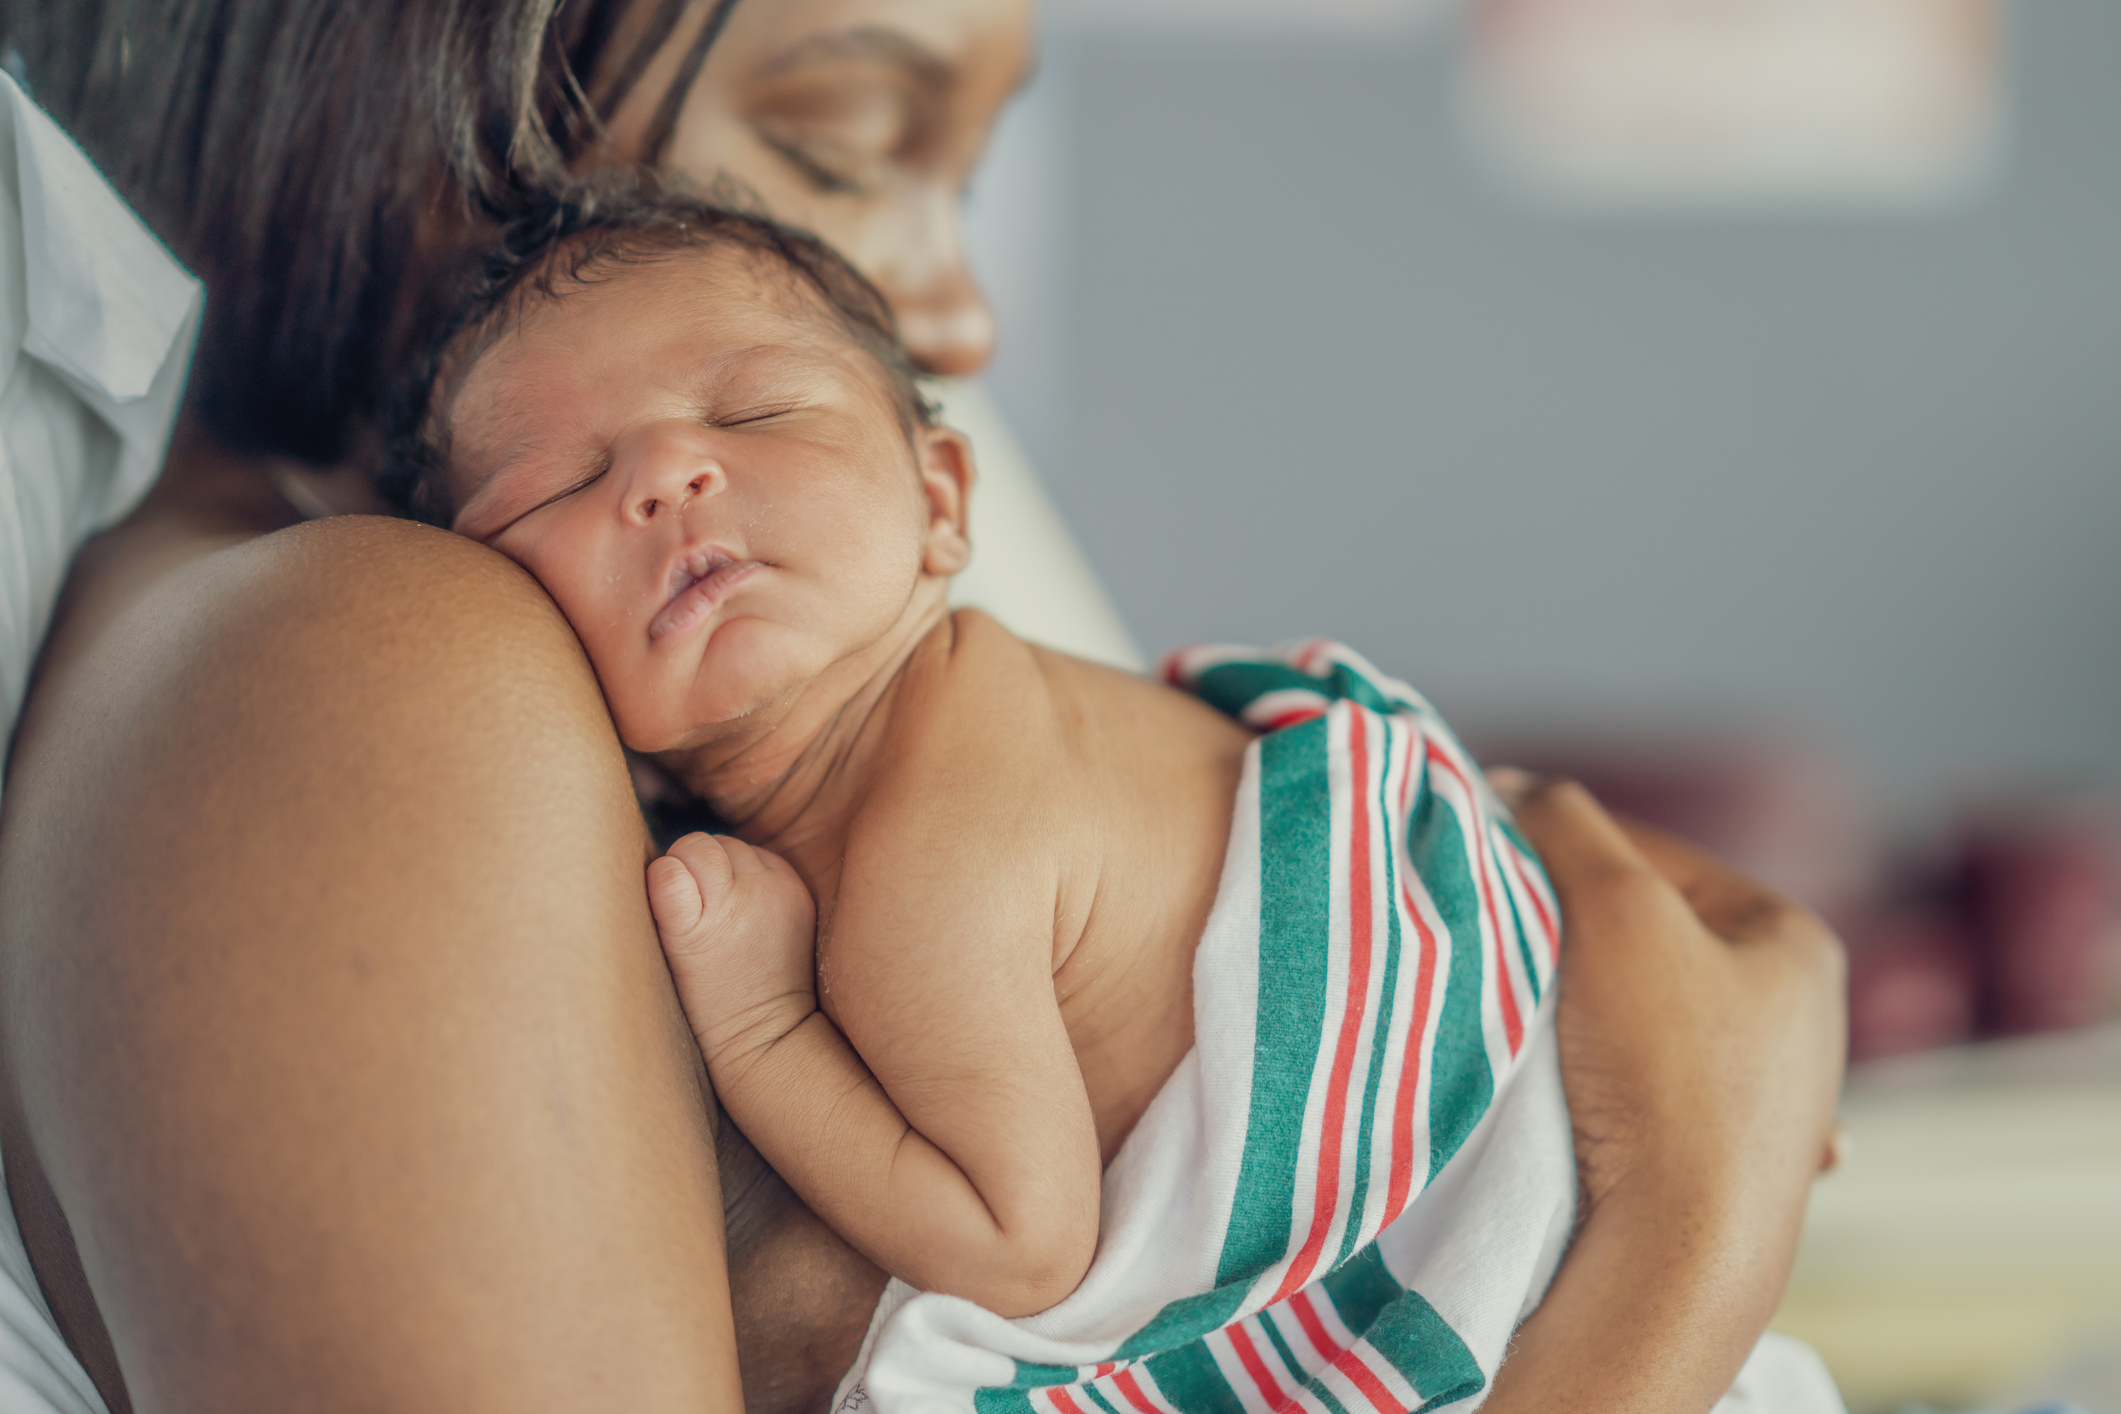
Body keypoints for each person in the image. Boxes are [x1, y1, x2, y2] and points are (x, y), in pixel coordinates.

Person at [0, 2, 1845, 1411]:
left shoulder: (715, 662)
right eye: (838, 141)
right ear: (424, 88)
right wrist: (1685, 1229)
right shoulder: (364, 671)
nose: (954, 309)